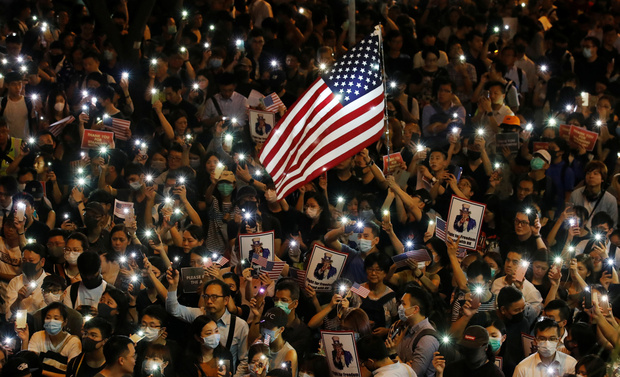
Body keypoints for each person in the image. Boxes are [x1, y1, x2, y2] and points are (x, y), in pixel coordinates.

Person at [387, 284, 440, 377]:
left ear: (415, 309)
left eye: (403, 304)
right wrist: (404, 365)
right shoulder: (404, 327)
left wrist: (393, 354)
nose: (400, 307)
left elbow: (413, 374)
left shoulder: (427, 339)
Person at [17, 302, 82, 376]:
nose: (51, 321)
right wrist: (24, 340)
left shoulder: (73, 342)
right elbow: (28, 364)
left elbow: (72, 374)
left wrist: (41, 372)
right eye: (48, 318)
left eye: (56, 318)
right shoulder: (37, 336)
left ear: (65, 322)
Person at [513, 318, 577, 377]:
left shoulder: (571, 364)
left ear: (558, 341)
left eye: (552, 339)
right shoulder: (522, 369)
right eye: (542, 339)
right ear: (535, 341)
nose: (547, 343)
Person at [432, 325, 503, 377]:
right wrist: (439, 373)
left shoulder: (494, 374)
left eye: (474, 347)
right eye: (467, 347)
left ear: (485, 347)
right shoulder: (453, 369)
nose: (470, 351)